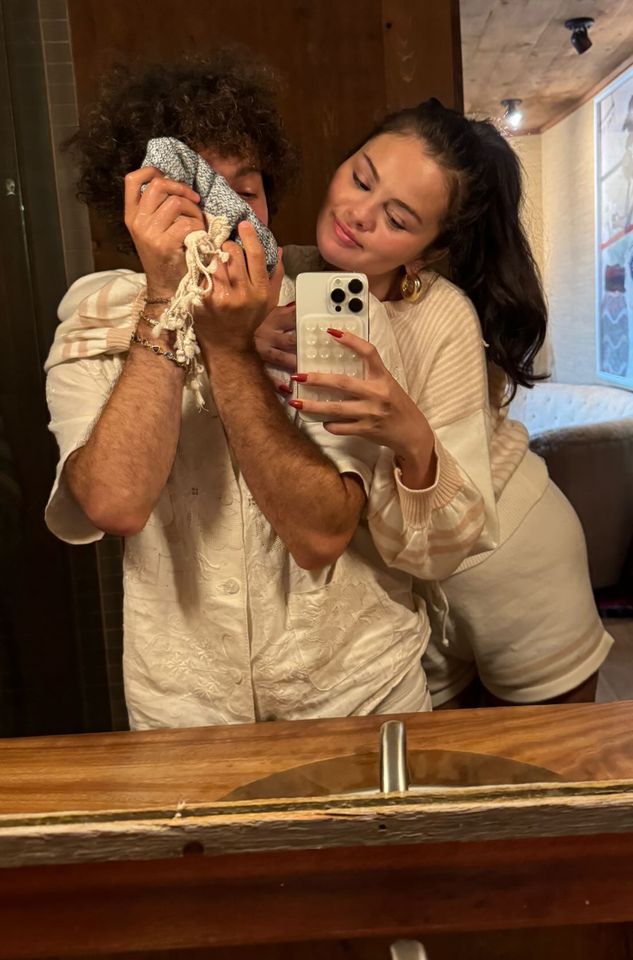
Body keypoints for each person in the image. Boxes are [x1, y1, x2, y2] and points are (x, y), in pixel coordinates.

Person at [44, 53, 481, 729]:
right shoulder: (99, 312)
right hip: (185, 712)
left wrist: (230, 351)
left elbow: (321, 532)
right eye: (190, 197)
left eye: (244, 193)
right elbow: (114, 502)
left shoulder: (336, 314)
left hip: (357, 693)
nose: (220, 220)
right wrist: (167, 303)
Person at [266, 99, 613, 707]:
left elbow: (454, 517)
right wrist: (245, 337)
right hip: (402, 584)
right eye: (361, 179)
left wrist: (411, 435)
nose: (358, 214)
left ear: (426, 252)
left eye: (397, 219)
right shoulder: (282, 276)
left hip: (511, 558)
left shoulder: (442, 314)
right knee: (442, 761)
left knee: (553, 760)